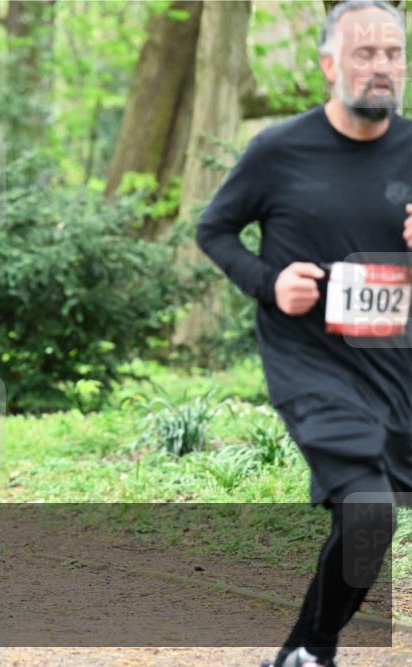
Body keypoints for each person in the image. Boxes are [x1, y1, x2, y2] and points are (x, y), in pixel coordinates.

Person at [197, 3, 410, 665]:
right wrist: (270, 283)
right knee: (371, 509)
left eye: (393, 55)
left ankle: (301, 654)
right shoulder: (278, 150)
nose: (381, 68)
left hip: (395, 361)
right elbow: (214, 230)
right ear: (328, 65)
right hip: (311, 360)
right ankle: (314, 652)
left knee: (368, 516)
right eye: (364, 54)